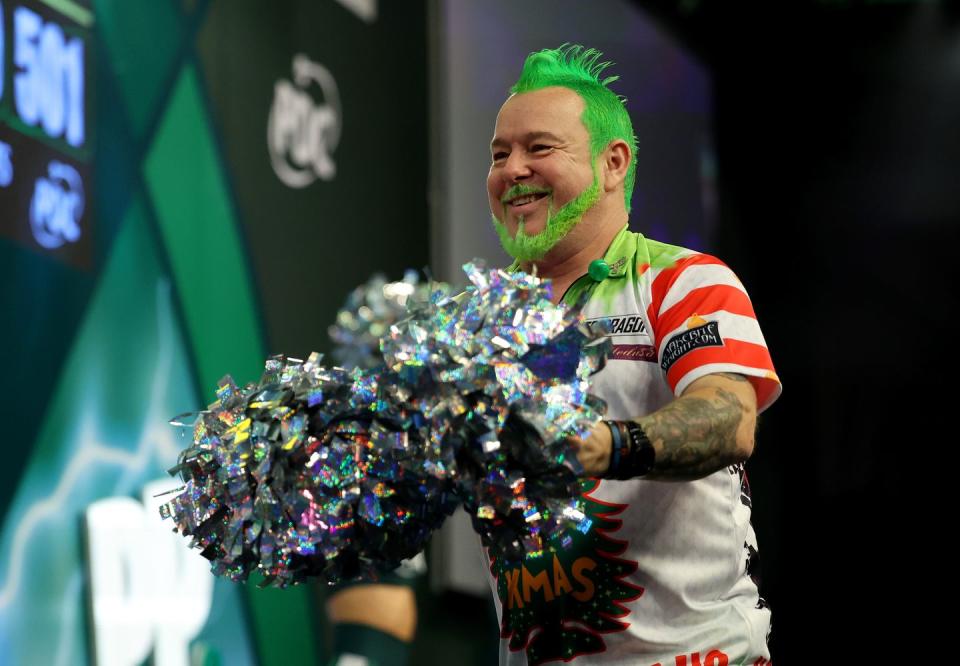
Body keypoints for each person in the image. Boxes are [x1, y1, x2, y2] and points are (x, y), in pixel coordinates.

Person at [482, 44, 781, 666]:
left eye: (539, 148)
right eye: (499, 153)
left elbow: (729, 416)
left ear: (612, 162)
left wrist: (604, 445)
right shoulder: (481, 324)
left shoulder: (682, 280)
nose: (512, 169)